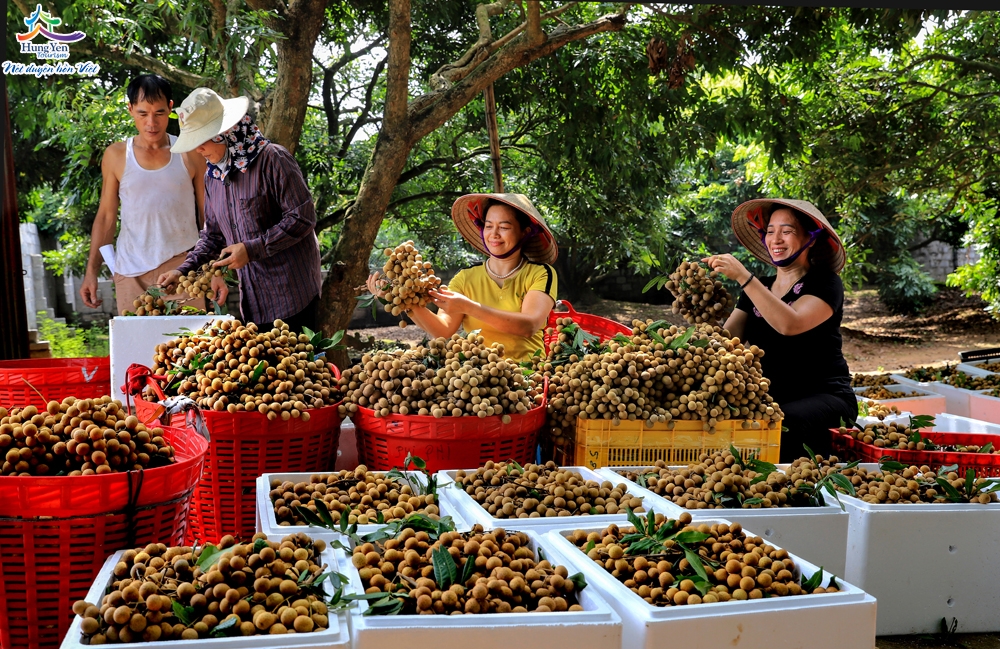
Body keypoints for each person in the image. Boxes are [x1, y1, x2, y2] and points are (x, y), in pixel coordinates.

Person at [157, 88, 322, 332]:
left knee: (298, 368)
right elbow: (213, 236)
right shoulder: (213, 176)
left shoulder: (273, 159)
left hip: (293, 295)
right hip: (254, 302)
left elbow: (303, 217)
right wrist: (183, 270)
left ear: (225, 134)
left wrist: (252, 249)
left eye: (201, 141)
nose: (197, 150)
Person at [701, 198, 855, 462]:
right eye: (770, 231)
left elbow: (790, 324)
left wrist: (743, 277)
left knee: (781, 424)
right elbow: (725, 342)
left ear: (811, 238)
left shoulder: (825, 283)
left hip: (826, 396)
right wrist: (700, 312)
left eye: (787, 231)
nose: (776, 239)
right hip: (771, 401)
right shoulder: (760, 286)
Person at [366, 194, 558, 362]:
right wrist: (402, 299)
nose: (494, 234)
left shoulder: (540, 273)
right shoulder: (465, 278)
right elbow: (443, 331)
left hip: (528, 377)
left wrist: (468, 306)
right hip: (477, 376)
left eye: (504, 227)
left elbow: (528, 326)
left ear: (524, 232)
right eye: (489, 225)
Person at [79, 74, 206, 315]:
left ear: (171, 108)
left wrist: (211, 270)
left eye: (159, 113)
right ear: (130, 109)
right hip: (131, 272)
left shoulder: (190, 153)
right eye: (142, 113)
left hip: (185, 268)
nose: (152, 123)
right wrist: (91, 272)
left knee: (191, 347)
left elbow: (208, 216)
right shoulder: (116, 155)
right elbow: (106, 217)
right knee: (137, 349)